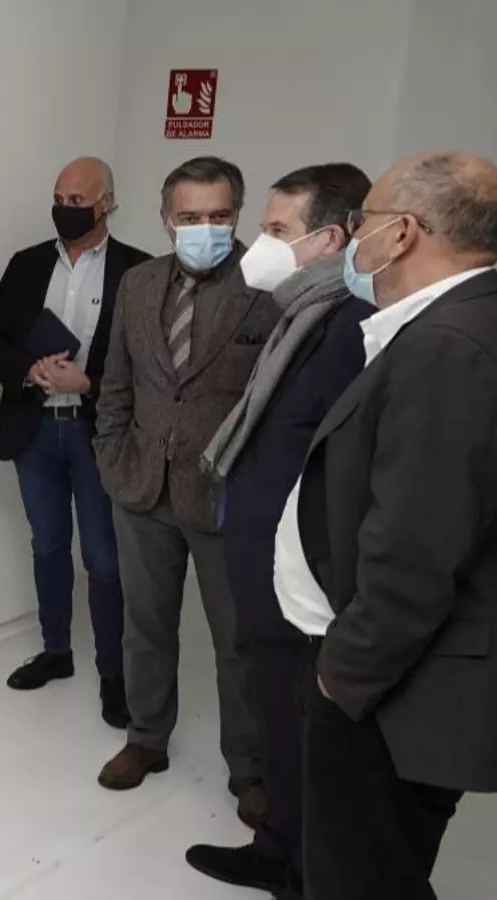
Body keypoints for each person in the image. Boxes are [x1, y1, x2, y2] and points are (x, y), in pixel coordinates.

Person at [290, 151, 497, 900]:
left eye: (363, 222)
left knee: (360, 877)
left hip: (389, 689)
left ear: (403, 232)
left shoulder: (451, 345)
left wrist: (340, 677)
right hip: (397, 672)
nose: (353, 239)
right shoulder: (458, 322)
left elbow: (416, 552)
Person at [181, 164, 374, 898]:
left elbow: (339, 469)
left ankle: (301, 870)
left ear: (329, 240)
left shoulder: (348, 329)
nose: (258, 244)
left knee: (302, 722)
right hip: (260, 553)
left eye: (276, 230)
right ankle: (276, 847)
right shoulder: (300, 313)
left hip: (301, 575)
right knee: (276, 709)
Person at [93, 157, 278, 829]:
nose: (205, 228)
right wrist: (111, 459)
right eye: (191, 217)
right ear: (167, 219)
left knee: (239, 641)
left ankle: (250, 769)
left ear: (238, 215)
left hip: (226, 497)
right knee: (145, 626)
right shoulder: (138, 284)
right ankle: (147, 738)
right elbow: (116, 382)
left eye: (219, 216)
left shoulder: (268, 288)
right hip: (142, 487)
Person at [0, 157, 152, 728]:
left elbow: (151, 366)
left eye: (77, 201)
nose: (65, 210)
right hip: (34, 430)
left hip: (97, 434)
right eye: (59, 199)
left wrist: (88, 383)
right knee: (48, 544)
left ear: (107, 203)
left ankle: (113, 676)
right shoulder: (27, 265)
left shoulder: (139, 272)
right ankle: (56, 651)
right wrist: (28, 371)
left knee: (103, 559)